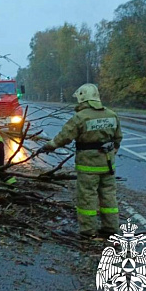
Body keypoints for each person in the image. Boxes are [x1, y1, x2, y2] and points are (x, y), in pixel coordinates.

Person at [41, 83, 123, 238]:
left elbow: (64, 137)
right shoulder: (112, 114)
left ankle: (88, 231)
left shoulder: (80, 117)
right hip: (108, 165)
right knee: (109, 196)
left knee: (87, 198)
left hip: (88, 167)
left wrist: (49, 146)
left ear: (82, 98)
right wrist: (111, 153)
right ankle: (110, 228)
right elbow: (118, 139)